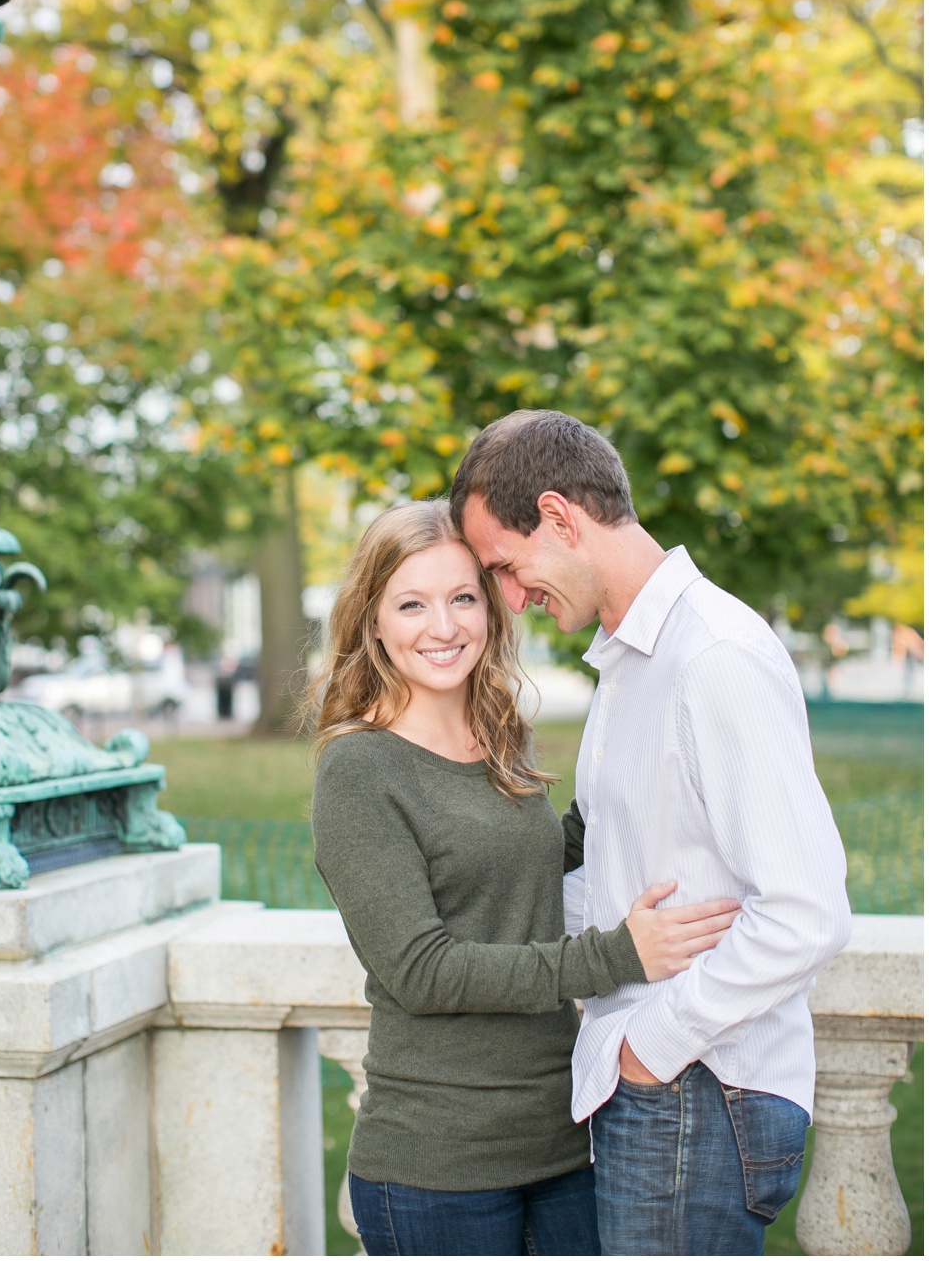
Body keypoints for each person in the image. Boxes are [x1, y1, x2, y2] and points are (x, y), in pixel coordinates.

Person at [451, 409, 853, 1256]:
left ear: (560, 517)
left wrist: (648, 1048)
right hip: (665, 1090)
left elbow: (807, 912)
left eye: (506, 566)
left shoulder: (713, 658)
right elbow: (613, 873)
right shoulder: (635, 659)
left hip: (696, 1086)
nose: (511, 597)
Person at [310, 499, 743, 1257]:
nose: (443, 626)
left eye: (462, 598)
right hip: (438, 1166)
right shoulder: (359, 769)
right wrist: (616, 956)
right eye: (411, 603)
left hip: (561, 1141)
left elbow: (556, 853)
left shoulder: (502, 735)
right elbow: (423, 969)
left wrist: (663, 760)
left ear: (491, 607)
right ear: (372, 620)